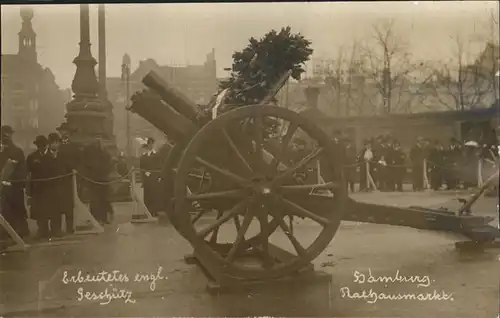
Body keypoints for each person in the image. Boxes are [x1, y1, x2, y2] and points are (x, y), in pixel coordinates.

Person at [0, 125, 30, 239]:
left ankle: (20, 231)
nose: (6, 137)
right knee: (4, 210)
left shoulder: (17, 151)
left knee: (17, 208)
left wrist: (13, 181)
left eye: (8, 134)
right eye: (4, 135)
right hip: (3, 186)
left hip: (14, 186)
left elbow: (23, 169)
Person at [82, 137, 114, 224]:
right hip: (101, 179)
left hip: (96, 179)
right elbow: (109, 166)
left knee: (97, 199)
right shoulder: (105, 153)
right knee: (100, 199)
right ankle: (102, 217)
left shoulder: (91, 153)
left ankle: (98, 218)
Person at [56, 122, 79, 234]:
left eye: (66, 132)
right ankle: (58, 228)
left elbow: (78, 161)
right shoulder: (56, 145)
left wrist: (73, 168)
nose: (64, 134)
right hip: (58, 179)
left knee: (69, 204)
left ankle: (70, 227)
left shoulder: (73, 146)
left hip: (69, 178)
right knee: (58, 204)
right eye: (62, 132)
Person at [26, 135, 49, 238]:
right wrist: (29, 190)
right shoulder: (31, 157)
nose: (41, 147)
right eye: (39, 145)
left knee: (50, 208)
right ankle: (42, 229)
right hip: (37, 188)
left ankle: (50, 229)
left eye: (43, 145)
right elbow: (29, 173)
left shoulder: (50, 156)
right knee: (39, 210)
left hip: (49, 187)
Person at [140, 137, 163, 217]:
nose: (150, 145)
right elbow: (141, 167)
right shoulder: (144, 156)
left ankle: (154, 211)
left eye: (151, 144)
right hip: (147, 178)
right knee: (147, 195)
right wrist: (145, 173)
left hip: (154, 177)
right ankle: (147, 210)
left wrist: (158, 176)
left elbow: (159, 167)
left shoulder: (157, 155)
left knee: (155, 195)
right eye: (149, 144)